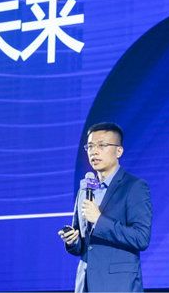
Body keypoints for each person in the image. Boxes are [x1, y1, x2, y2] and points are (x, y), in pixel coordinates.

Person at [58, 122, 152, 292]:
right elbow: (84, 245)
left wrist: (99, 220)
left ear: (119, 151)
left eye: (102, 145)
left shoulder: (134, 187)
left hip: (118, 285)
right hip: (85, 285)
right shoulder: (84, 189)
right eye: (90, 146)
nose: (94, 151)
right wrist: (73, 241)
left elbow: (141, 238)